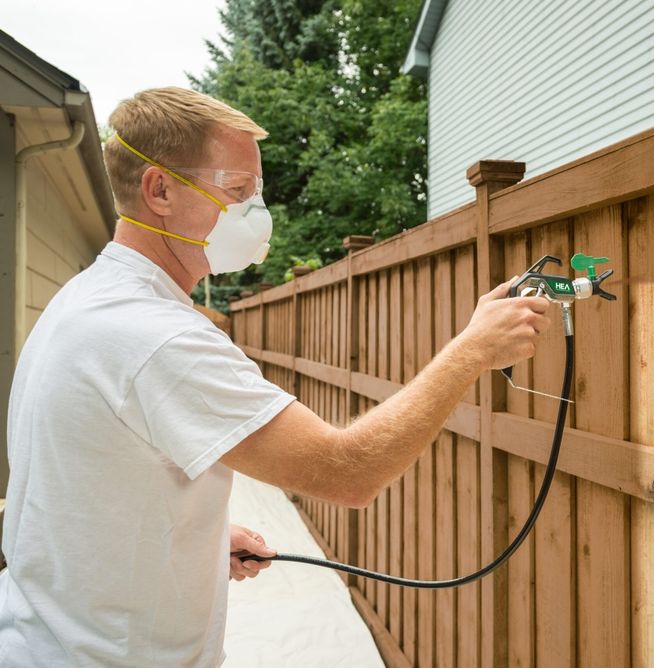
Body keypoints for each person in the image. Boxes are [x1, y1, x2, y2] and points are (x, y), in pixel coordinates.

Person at [0, 87, 550, 667]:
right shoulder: (158, 336)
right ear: (159, 191)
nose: (256, 211)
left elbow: (86, 489)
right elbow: (348, 472)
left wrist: (196, 544)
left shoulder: (89, 298)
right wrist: (471, 351)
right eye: (237, 190)